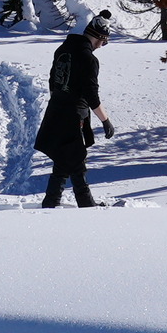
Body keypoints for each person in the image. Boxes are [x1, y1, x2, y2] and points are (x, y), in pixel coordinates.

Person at [39, 12, 117, 209]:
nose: (102, 45)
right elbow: (91, 95)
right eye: (104, 40)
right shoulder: (88, 59)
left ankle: (51, 201)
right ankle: (85, 204)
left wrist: (59, 100)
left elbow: (52, 81)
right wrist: (105, 120)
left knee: (65, 158)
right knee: (75, 158)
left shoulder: (62, 49)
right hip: (73, 114)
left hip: (56, 109)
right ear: (98, 37)